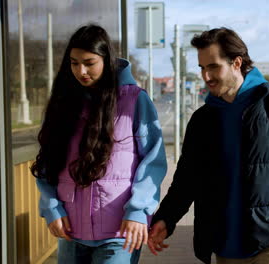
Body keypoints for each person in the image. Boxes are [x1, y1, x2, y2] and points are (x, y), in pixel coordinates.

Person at [147, 27, 269, 264]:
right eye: (202, 68)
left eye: (213, 66)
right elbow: (187, 179)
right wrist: (166, 219)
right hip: (223, 246)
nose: (206, 76)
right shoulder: (203, 120)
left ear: (236, 63)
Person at [31, 24, 167, 264]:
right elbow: (47, 163)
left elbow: (153, 161)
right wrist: (52, 208)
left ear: (106, 59)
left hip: (119, 232)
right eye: (74, 63)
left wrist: (138, 211)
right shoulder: (62, 104)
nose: (81, 70)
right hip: (70, 230)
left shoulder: (134, 100)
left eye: (89, 62)